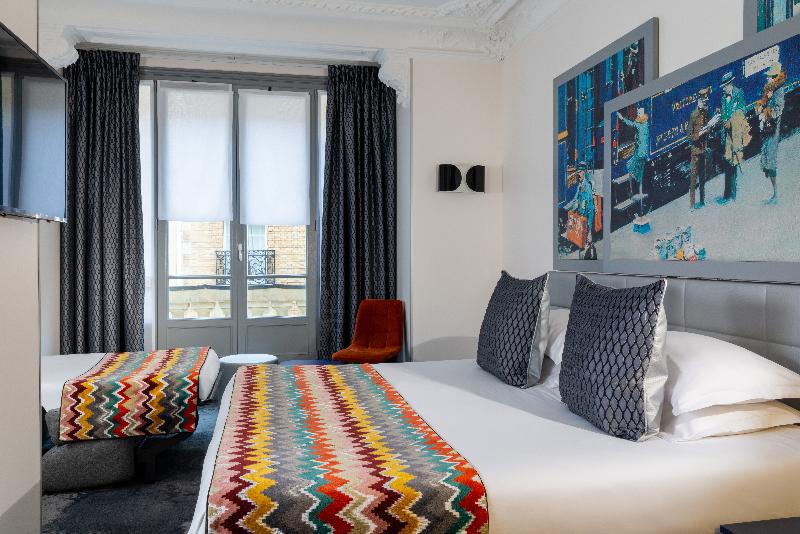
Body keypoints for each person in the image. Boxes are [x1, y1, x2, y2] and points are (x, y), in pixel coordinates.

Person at [715, 71, 751, 204]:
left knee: (733, 163)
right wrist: (721, 116)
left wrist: (731, 121)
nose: (723, 89)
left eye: (724, 86)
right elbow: (725, 114)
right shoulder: (723, 98)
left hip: (735, 133)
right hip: (726, 135)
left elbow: (742, 110)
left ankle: (732, 195)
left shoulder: (738, 93)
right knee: (727, 164)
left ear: (730, 84)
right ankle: (727, 195)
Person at [756, 62, 786, 204]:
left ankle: (775, 194)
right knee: (766, 159)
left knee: (771, 160)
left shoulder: (779, 91)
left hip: (773, 129)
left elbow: (778, 110)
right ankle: (773, 192)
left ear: (775, 77)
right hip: (767, 129)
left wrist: (765, 113)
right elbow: (764, 103)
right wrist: (760, 107)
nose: (767, 78)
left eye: (769, 76)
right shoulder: (769, 89)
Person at [618, 107, 650, 212]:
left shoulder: (639, 126)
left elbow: (630, 124)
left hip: (640, 153)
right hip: (643, 153)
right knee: (639, 172)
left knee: (630, 166)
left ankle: (636, 191)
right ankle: (639, 191)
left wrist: (621, 118)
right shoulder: (645, 125)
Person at [688, 88, 710, 209]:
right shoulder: (693, 115)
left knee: (702, 177)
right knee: (693, 179)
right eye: (703, 101)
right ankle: (692, 204)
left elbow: (708, 127)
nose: (705, 103)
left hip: (703, 149)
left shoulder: (706, 112)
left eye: (706, 101)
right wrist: (700, 134)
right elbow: (689, 136)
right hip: (695, 152)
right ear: (699, 102)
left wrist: (709, 128)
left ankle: (702, 201)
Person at [564, 163, 595, 251]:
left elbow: (589, 205)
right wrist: (573, 208)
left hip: (586, 214)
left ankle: (588, 246)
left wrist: (589, 226)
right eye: (577, 172)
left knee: (587, 231)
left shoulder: (587, 186)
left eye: (580, 172)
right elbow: (576, 198)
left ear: (584, 172)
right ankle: (584, 244)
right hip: (581, 212)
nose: (578, 174)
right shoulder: (580, 185)